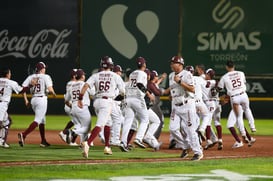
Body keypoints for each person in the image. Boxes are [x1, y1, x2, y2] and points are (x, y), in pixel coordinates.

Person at [79, 56, 125, 158]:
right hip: (107, 102)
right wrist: (121, 99)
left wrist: (80, 98)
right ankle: (87, 142)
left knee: (108, 123)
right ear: (111, 65)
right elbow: (122, 92)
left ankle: (107, 147)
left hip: (97, 101)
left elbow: (85, 86)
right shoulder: (115, 76)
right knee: (100, 125)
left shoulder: (96, 75)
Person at [168, 56, 203, 161]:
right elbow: (174, 89)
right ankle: (186, 146)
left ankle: (198, 152)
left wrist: (180, 82)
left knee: (190, 130)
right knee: (173, 129)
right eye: (171, 63)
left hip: (187, 105)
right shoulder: (171, 75)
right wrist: (172, 95)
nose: (171, 64)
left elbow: (192, 89)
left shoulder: (187, 74)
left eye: (173, 63)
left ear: (179, 64)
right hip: (176, 105)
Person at [217, 60, 256, 148]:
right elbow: (242, 85)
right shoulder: (241, 73)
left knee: (231, 124)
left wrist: (221, 95)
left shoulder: (224, 77)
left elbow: (219, 89)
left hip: (235, 99)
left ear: (226, 67)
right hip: (243, 96)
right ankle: (250, 134)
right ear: (234, 66)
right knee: (243, 115)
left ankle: (240, 141)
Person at [119, 57, 154, 152]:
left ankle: (123, 142)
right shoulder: (142, 73)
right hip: (137, 98)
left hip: (128, 98)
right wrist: (148, 94)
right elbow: (139, 84)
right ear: (144, 65)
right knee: (145, 120)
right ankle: (138, 138)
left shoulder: (132, 74)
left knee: (128, 121)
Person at [18, 62, 56, 147]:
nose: (45, 69)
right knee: (38, 120)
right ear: (42, 69)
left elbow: (22, 89)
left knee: (42, 120)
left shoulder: (30, 77)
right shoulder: (46, 77)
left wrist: (26, 101)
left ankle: (43, 141)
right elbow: (50, 90)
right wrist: (54, 94)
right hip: (41, 100)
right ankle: (24, 134)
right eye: (44, 68)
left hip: (33, 100)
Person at [0, 68, 35, 148]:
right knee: (1, 123)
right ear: (7, 74)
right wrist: (30, 85)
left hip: (2, 105)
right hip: (2, 105)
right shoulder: (11, 82)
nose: (10, 74)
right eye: (10, 73)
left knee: (7, 121)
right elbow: (21, 90)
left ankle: (1, 141)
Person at [64, 69, 92, 146]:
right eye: (84, 75)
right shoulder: (84, 84)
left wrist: (72, 106)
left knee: (83, 127)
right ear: (82, 76)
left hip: (73, 108)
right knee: (87, 128)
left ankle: (82, 144)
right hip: (82, 106)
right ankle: (72, 132)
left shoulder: (71, 86)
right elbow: (93, 93)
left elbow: (66, 101)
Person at [59, 69, 79, 146]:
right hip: (71, 105)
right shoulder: (74, 83)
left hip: (68, 104)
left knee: (75, 121)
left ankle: (71, 139)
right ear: (74, 76)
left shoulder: (69, 83)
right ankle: (65, 133)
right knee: (79, 123)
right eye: (76, 74)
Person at [110, 65, 125, 146]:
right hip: (113, 102)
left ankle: (113, 139)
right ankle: (115, 139)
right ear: (116, 72)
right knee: (117, 120)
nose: (120, 73)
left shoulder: (110, 78)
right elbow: (123, 92)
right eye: (119, 71)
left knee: (110, 122)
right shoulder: (117, 78)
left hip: (107, 102)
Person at [150, 70, 167, 139]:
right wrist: (163, 91)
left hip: (153, 105)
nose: (157, 77)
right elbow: (158, 92)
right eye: (156, 76)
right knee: (159, 121)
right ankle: (152, 137)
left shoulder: (153, 84)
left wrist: (162, 78)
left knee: (156, 121)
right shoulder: (151, 85)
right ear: (154, 77)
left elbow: (157, 82)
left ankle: (152, 137)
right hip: (153, 105)